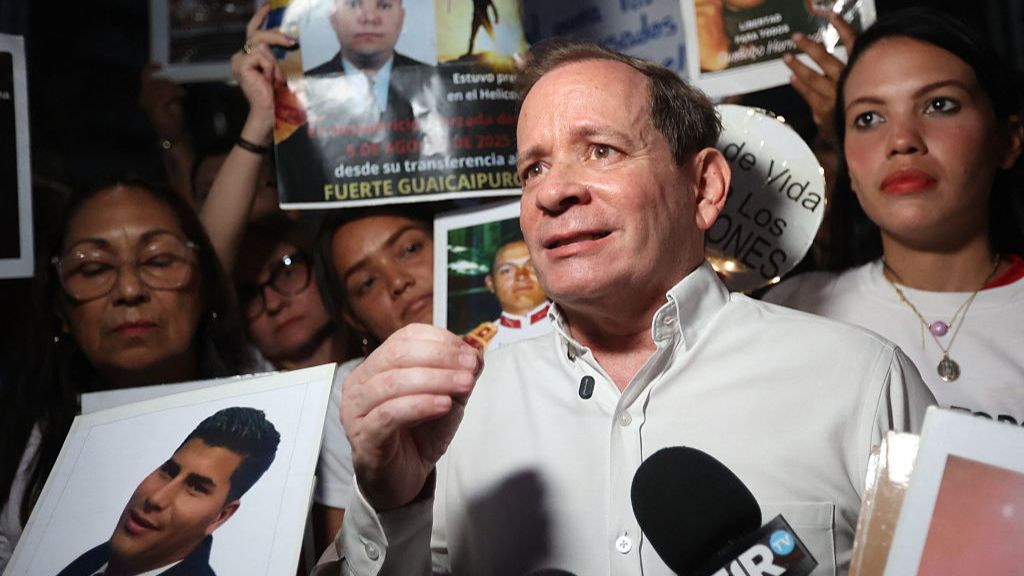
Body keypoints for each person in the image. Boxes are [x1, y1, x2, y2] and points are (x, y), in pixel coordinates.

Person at [314, 39, 934, 575]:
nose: (554, 191)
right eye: (534, 168)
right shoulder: (452, 415)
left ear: (703, 187)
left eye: (601, 150)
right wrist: (392, 504)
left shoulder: (861, 382)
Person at [765, 9, 1024, 424]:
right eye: (868, 118)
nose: (901, 140)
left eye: (939, 105)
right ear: (848, 163)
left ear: (1008, 141)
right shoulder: (792, 313)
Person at [0, 181, 248, 570]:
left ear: (205, 287)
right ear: (60, 308)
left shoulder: (283, 415)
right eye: (94, 268)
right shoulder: (19, 447)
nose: (129, 290)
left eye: (159, 261)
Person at [57, 407, 280, 576]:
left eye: (196, 487)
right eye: (169, 471)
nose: (156, 498)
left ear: (220, 516)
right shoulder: (97, 560)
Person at [462, 237, 552, 350]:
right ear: (490, 283)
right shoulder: (477, 346)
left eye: (532, 266)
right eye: (507, 270)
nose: (521, 276)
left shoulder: (570, 327)